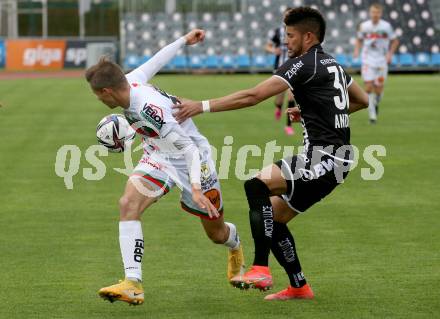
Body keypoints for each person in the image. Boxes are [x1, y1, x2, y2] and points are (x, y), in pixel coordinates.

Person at [173, 7, 369, 301]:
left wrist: (201, 105)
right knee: (273, 219)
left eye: (290, 36)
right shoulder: (333, 65)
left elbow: (253, 96)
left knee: (257, 184)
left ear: (308, 36)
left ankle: (261, 267)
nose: (285, 42)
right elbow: (362, 100)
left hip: (326, 158)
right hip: (335, 159)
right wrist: (309, 112)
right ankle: (299, 286)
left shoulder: (303, 65)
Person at [85, 29, 244, 306]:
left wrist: (195, 189)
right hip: (158, 156)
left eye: (99, 97)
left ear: (107, 91)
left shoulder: (150, 111)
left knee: (216, 234)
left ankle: (236, 245)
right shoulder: (130, 81)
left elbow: (190, 151)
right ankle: (132, 283)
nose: (101, 102)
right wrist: (184, 40)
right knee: (127, 204)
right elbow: (155, 61)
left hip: (194, 162)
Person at [353, 3, 399, 124]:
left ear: (380, 14)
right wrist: (357, 50)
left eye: (377, 12)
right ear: (370, 13)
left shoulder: (386, 26)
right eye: (373, 12)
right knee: (368, 87)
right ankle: (372, 116)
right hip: (367, 59)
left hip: (381, 61)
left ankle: (376, 103)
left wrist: (390, 54)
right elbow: (359, 39)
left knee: (378, 90)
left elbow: (395, 41)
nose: (375, 14)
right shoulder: (364, 26)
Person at [265, 7, 297, 135]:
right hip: (280, 67)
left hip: (294, 67)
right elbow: (267, 46)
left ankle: (288, 126)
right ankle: (278, 107)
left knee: (291, 95)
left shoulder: (298, 32)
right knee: (279, 98)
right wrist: (274, 50)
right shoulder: (277, 32)